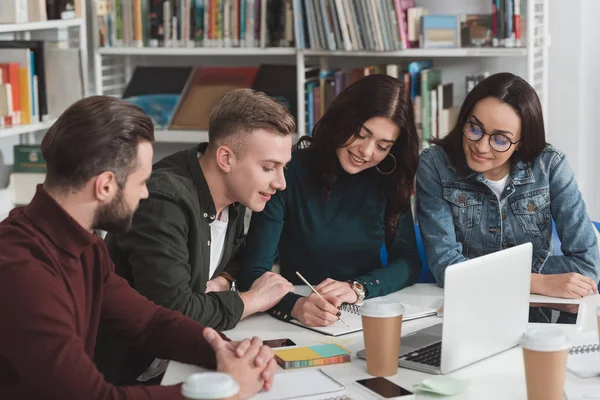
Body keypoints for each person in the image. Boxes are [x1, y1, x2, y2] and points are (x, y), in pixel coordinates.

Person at [0, 96, 278, 399]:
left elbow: (149, 322)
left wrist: (225, 349)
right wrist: (222, 391)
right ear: (106, 186)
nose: (146, 193)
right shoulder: (22, 270)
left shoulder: (85, 245)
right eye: (142, 181)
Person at [95, 88, 296, 384]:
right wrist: (252, 299)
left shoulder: (235, 192)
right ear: (226, 158)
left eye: (283, 168)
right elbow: (175, 311)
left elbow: (239, 252)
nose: (280, 183)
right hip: (126, 377)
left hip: (179, 362)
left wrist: (223, 280)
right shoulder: (163, 202)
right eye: (269, 168)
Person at [239, 74, 422, 327]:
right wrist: (295, 306)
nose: (367, 152)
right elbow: (253, 273)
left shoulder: (388, 177)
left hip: (364, 311)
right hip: (302, 312)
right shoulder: (287, 173)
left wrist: (358, 288)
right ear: (342, 119)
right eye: (361, 134)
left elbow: (407, 260)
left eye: (383, 146)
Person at [416, 72, 600, 301]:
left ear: (521, 141)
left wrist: (480, 275)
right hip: (468, 305)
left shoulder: (550, 165)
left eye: (500, 140)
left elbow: (587, 266)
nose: (481, 147)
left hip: (539, 312)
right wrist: (537, 281)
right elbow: (447, 268)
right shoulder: (434, 164)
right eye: (474, 128)